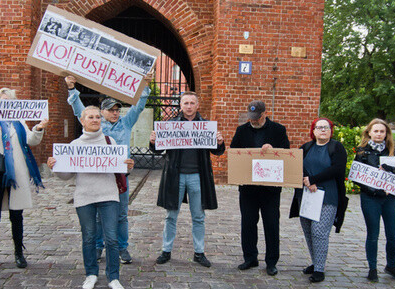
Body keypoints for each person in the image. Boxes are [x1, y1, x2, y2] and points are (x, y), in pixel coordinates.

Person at [47, 106, 134, 289]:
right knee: (89, 238)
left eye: (97, 117)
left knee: (111, 238)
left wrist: (129, 167)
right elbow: (66, 175)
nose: (95, 120)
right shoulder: (75, 145)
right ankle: (91, 274)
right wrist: (55, 167)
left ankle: (113, 277)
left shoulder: (110, 142)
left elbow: (122, 169)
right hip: (85, 196)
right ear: (82, 120)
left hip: (109, 195)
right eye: (91, 117)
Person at [65, 74, 151, 264]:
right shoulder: (96, 125)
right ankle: (97, 246)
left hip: (119, 177)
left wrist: (145, 86)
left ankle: (122, 248)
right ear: (102, 112)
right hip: (99, 177)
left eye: (117, 110)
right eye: (111, 110)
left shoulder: (126, 123)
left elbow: (139, 107)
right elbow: (80, 110)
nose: (115, 113)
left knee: (121, 214)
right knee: (97, 216)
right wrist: (72, 89)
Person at [0, 88, 48, 269]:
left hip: (16, 172)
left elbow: (31, 140)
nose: (4, 104)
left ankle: (18, 252)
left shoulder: (19, 121)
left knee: (17, 214)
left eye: (8, 101)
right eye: (1, 100)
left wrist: (38, 127)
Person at [150, 91, 225, 267]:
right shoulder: (171, 124)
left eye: (192, 103)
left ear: (197, 105)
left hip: (198, 176)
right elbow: (158, 150)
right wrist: (153, 142)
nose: (189, 106)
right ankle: (166, 250)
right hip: (175, 176)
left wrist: (220, 142)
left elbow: (216, 151)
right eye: (186, 103)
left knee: (198, 216)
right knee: (171, 215)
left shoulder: (205, 126)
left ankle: (199, 252)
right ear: (181, 106)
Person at [230, 100, 290, 275]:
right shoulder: (241, 130)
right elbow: (234, 152)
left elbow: (286, 152)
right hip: (248, 187)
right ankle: (250, 258)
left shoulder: (278, 130)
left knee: (271, 224)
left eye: (256, 117)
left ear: (264, 114)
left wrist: (274, 149)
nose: (253, 120)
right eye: (251, 117)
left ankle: (271, 261)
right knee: (248, 223)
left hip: (270, 188)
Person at [288, 118, 347, 283]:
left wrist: (314, 179)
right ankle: (315, 263)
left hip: (328, 196)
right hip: (306, 196)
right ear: (313, 131)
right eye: (319, 127)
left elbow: (337, 169)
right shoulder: (306, 148)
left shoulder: (336, 148)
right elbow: (296, 165)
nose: (323, 130)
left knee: (320, 232)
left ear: (331, 130)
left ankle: (320, 269)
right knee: (308, 231)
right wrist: (306, 180)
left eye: (326, 127)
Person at [353, 118, 395, 283]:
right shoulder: (362, 151)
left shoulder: (392, 150)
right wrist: (375, 190)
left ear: (386, 134)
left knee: (393, 235)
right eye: (376, 131)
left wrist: (390, 169)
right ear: (369, 132)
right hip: (371, 198)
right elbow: (357, 178)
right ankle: (372, 268)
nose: (379, 134)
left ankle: (391, 265)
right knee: (373, 234)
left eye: (382, 131)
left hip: (390, 199)